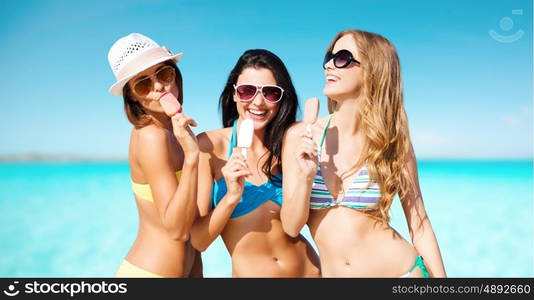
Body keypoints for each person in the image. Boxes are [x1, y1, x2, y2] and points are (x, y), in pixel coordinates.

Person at [280, 30, 446, 277]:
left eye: (342, 58)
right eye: (329, 57)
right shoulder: (299, 136)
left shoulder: (392, 142)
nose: (328, 65)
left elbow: (420, 226)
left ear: (372, 70)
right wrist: (305, 178)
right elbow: (291, 227)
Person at [190, 49, 320, 277]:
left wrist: (306, 178)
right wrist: (231, 197)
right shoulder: (210, 146)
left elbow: (294, 227)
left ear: (281, 99)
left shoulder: (289, 144)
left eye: (270, 93)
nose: (258, 102)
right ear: (233, 94)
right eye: (247, 91)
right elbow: (199, 241)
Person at [107, 33, 202, 277]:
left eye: (163, 74)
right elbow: (178, 230)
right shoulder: (151, 137)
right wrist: (192, 158)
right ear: (133, 97)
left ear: (176, 76)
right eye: (143, 84)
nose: (158, 87)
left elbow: (194, 228)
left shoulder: (177, 132)